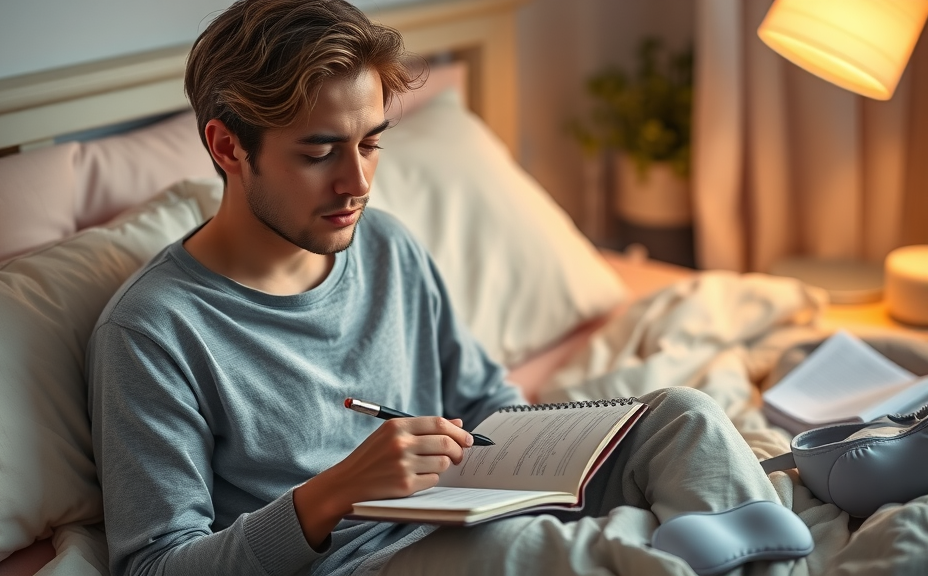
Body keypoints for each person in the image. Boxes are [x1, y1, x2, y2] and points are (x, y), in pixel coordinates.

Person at [86, 1, 783, 575]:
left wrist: (547, 465)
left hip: (471, 509)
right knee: (536, 553)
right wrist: (332, 494)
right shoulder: (153, 331)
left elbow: (484, 400)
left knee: (683, 415)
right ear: (228, 147)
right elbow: (156, 566)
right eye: (319, 151)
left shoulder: (385, 244)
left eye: (369, 143)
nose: (356, 183)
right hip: (361, 563)